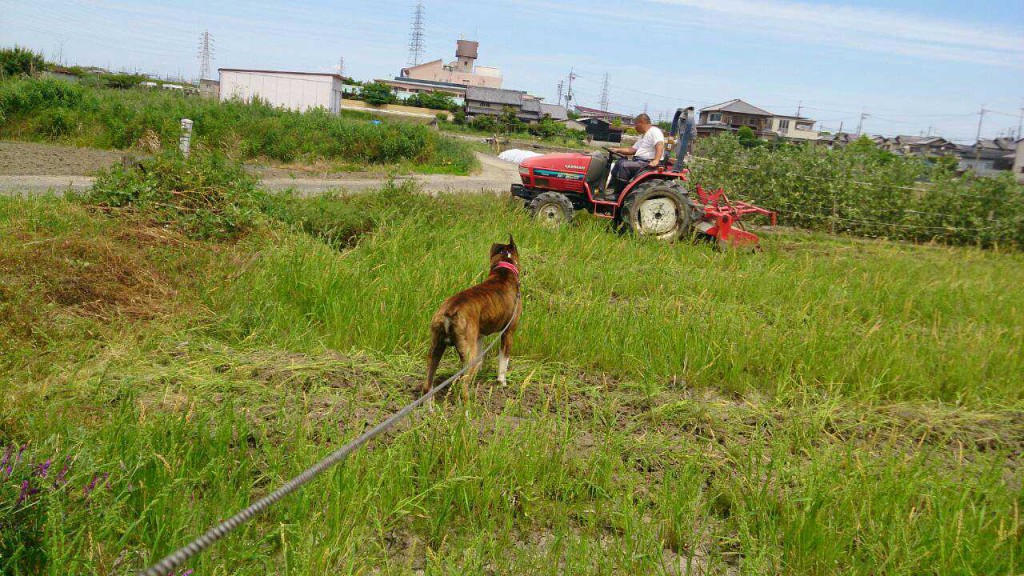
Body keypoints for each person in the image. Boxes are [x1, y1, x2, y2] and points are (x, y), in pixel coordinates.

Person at [606, 113, 664, 198]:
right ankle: (610, 189)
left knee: (624, 165)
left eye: (635, 124)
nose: (635, 126)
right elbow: (632, 150)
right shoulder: (643, 136)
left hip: (646, 163)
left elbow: (660, 144)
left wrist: (656, 160)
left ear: (642, 122)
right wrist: (617, 149)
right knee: (619, 162)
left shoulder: (654, 131)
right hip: (639, 161)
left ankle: (618, 194)